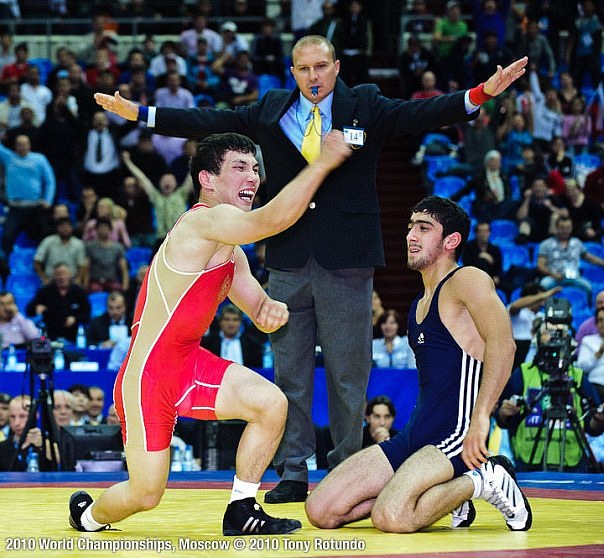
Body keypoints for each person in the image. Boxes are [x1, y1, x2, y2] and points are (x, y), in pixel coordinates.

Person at [94, 34, 528, 503]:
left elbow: (419, 113)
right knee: (291, 374)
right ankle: (293, 471)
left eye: (321, 67)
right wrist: (142, 114)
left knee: (348, 374)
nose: (313, 77)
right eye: (303, 69)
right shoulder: (271, 109)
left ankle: (344, 468)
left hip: (347, 259)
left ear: (336, 67)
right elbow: (210, 120)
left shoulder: (365, 105)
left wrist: (480, 94)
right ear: (292, 72)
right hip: (288, 257)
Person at [67, 130, 352, 536]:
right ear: (207, 179)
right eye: (239, 167)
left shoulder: (231, 253)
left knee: (270, 403)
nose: (252, 176)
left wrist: (269, 312)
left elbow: (258, 310)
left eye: (254, 168)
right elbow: (271, 220)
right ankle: (88, 516)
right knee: (146, 494)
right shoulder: (201, 223)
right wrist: (321, 164)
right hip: (148, 376)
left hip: (189, 363)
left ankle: (242, 508)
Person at [305, 196, 532, 534]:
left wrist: (482, 418)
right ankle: (444, 492)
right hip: (416, 434)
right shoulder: (418, 305)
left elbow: (504, 344)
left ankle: (484, 480)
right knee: (320, 510)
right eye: (411, 227)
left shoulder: (467, 280)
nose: (411, 235)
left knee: (391, 517)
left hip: (456, 434)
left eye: (424, 228)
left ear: (451, 241)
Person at [496, 317, 604, 472]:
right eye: (548, 331)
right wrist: (504, 412)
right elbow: (504, 419)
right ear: (537, 338)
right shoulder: (523, 373)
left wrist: (599, 419)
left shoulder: (578, 377)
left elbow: (592, 427)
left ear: (569, 339)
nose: (554, 336)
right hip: (529, 463)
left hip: (571, 465)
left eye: (560, 332)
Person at [537, 215, 604, 298]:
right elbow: (540, 265)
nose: (565, 230)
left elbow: (590, 258)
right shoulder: (546, 244)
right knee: (543, 285)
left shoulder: (577, 243)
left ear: (571, 228)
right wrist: (553, 274)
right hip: (554, 277)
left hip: (574, 277)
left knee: (588, 287)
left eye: (568, 228)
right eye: (562, 228)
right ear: (556, 228)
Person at [26, 263, 91, 342]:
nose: (61, 277)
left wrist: (75, 319)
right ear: (54, 276)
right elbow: (29, 310)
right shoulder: (45, 291)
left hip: (73, 334)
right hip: (50, 333)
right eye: (58, 274)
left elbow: (86, 313)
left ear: (70, 275)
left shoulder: (79, 292)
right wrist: (36, 308)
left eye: (64, 274)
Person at [201, 304, 263, 368]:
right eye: (227, 319)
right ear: (220, 321)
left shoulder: (252, 343)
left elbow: (257, 369)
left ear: (240, 322)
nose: (231, 323)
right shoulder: (207, 342)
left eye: (235, 320)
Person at [34, 217, 87, 286]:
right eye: (62, 226)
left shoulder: (78, 244)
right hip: (51, 280)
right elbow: (37, 261)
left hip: (71, 281)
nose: (65, 229)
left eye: (68, 226)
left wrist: (79, 278)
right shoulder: (48, 241)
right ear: (57, 228)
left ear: (72, 228)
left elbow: (82, 264)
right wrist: (43, 278)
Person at [461, 221, 503, 288]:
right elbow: (466, 264)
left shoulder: (495, 249)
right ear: (476, 233)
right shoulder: (468, 247)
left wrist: (496, 276)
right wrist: (480, 256)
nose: (483, 234)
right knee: (482, 262)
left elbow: (498, 267)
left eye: (486, 231)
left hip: (491, 278)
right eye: (481, 231)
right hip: (473, 277)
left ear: (489, 233)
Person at [576, 307, 604, 403]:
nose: (603, 323)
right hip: (596, 384)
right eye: (600, 320)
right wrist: (598, 354)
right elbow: (581, 367)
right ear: (596, 324)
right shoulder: (588, 341)